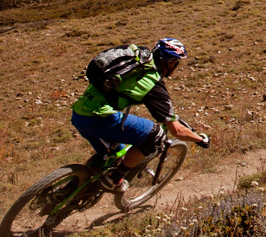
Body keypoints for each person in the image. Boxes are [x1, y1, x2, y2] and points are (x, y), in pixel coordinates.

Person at [71, 37, 209, 192]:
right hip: (98, 118)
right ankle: (114, 179)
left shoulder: (136, 59)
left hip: (79, 113)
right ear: (171, 63)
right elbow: (176, 130)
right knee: (154, 135)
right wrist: (200, 139)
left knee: (113, 154)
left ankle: (72, 189)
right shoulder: (152, 82)